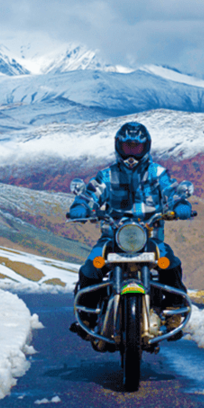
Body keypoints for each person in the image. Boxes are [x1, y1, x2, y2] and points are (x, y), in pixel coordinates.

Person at [66, 121, 193, 338]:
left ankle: (173, 313)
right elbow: (92, 193)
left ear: (146, 147)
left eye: (136, 148)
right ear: (118, 147)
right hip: (113, 237)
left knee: (170, 264)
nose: (131, 153)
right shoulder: (107, 175)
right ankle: (87, 316)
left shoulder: (158, 173)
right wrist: (81, 206)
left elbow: (171, 191)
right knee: (90, 268)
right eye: (127, 148)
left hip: (150, 237)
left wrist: (180, 205)